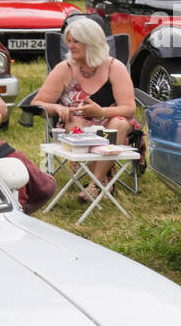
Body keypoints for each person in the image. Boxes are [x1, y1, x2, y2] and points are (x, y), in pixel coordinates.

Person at [32, 15, 136, 200]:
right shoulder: (65, 69)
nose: (70, 46)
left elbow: (129, 108)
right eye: (69, 41)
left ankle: (95, 185)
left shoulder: (114, 67)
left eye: (76, 41)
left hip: (107, 131)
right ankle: (103, 182)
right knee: (76, 122)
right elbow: (37, 103)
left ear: (92, 43)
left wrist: (101, 112)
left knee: (119, 123)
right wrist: (56, 108)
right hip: (77, 128)